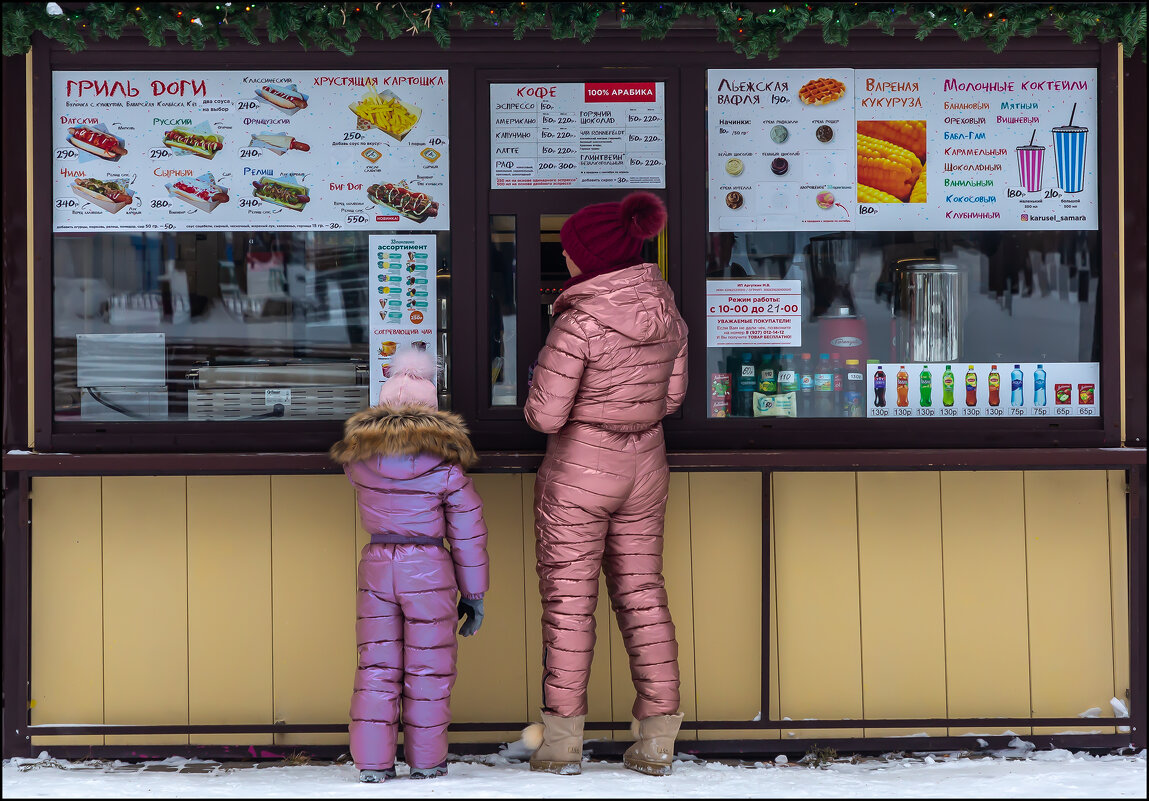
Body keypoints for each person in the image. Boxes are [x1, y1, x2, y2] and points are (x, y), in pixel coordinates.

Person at [521, 191, 689, 777]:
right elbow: (671, 399)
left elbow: (544, 416)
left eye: (569, 251)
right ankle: (657, 739)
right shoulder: (668, 312)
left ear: (589, 257)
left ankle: (562, 745)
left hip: (579, 471)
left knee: (570, 606)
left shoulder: (580, 321)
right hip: (646, 465)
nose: (565, 260)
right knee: (643, 595)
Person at [329, 349, 489, 783]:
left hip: (377, 567)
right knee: (428, 669)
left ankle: (374, 765)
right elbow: (468, 533)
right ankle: (427, 761)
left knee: (376, 667)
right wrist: (474, 595)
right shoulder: (448, 469)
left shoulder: (359, 464)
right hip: (430, 570)